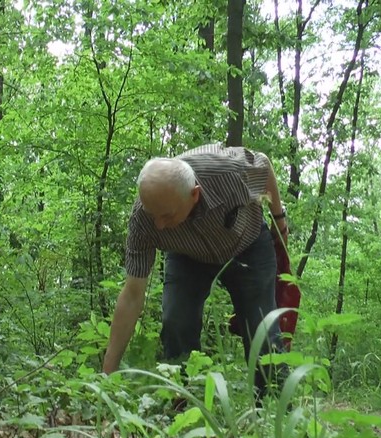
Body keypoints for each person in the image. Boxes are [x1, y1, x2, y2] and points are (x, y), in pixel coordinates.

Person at [101, 143, 289, 402]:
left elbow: (265, 165)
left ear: (195, 195)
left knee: (263, 330)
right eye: (152, 214)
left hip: (248, 244)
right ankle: (184, 403)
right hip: (187, 256)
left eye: (166, 216)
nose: (158, 225)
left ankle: (273, 408)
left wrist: (279, 218)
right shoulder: (144, 219)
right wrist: (106, 378)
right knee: (176, 321)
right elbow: (132, 296)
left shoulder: (229, 172)